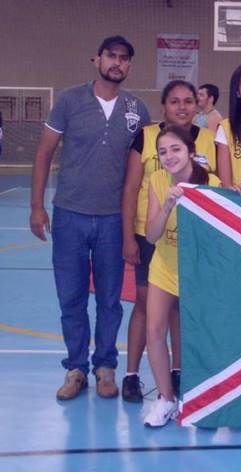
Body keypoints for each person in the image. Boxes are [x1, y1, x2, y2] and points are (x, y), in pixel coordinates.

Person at [30, 36, 151, 401]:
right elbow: (44, 153)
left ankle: (105, 367)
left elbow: (143, 168)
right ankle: (75, 369)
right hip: (69, 215)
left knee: (111, 300)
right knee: (71, 297)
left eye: (124, 59)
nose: (116, 63)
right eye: (111, 56)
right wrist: (37, 206)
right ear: (96, 59)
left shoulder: (137, 110)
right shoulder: (69, 100)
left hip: (115, 221)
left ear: (129, 66)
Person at [120, 80, 216, 402]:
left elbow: (220, 192)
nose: (182, 107)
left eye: (189, 101)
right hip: (154, 236)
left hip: (194, 243)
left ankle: (180, 374)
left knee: (182, 311)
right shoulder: (146, 139)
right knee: (147, 306)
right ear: (164, 106)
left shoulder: (208, 141)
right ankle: (132, 375)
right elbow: (131, 188)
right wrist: (128, 237)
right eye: (174, 101)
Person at [143, 126, 221, 427]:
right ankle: (166, 399)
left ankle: (203, 398)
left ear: (190, 150)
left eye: (175, 149)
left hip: (198, 271)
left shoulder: (211, 183)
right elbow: (150, 235)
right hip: (164, 266)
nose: (169, 157)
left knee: (201, 337)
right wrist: (167, 205)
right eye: (163, 152)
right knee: (154, 332)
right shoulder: (158, 180)